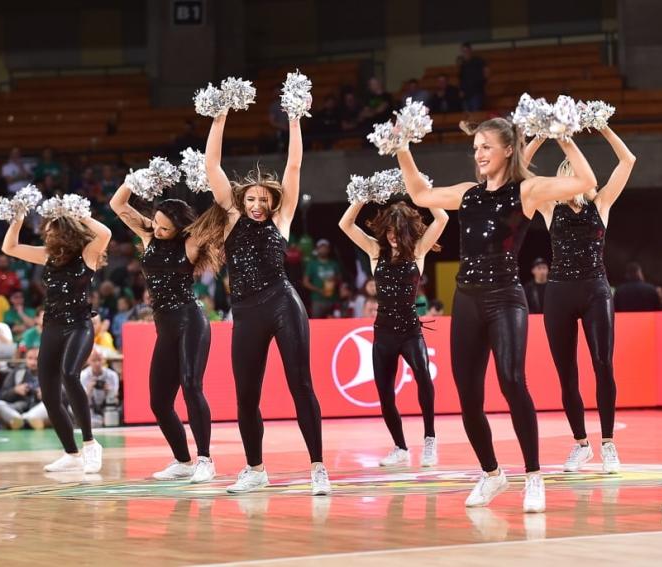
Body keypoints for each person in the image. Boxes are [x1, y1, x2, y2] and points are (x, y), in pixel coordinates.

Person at [395, 116, 597, 512]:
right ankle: (491, 474)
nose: (479, 154)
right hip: (467, 299)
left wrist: (564, 137)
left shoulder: (528, 190)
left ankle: (534, 476)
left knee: (511, 381)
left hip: (506, 297)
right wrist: (402, 148)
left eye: (486, 146)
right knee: (468, 397)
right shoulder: (468, 195)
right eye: (475, 148)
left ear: (508, 149)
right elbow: (420, 194)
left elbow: (585, 181)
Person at [188, 96, 331, 495]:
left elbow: (295, 166)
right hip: (246, 313)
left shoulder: (282, 219)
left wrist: (295, 119)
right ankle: (255, 469)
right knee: (246, 395)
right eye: (249, 199)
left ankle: (318, 467)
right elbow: (212, 166)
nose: (255, 204)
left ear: (271, 203)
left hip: (283, 304)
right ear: (240, 202)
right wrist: (220, 117)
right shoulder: (231, 219)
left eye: (261, 200)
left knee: (300, 385)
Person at [527, 126, 635, 475]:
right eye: (566, 175)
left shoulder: (601, 203)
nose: (572, 181)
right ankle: (580, 444)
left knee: (603, 364)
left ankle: (608, 443)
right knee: (566, 374)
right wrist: (541, 133)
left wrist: (602, 127)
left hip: (595, 289)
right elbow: (519, 170)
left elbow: (628, 159)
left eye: (577, 173)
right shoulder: (548, 207)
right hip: (558, 291)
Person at [111, 177, 224, 484]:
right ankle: (183, 461)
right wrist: (134, 180)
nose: (157, 230)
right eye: (156, 223)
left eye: (164, 227)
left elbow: (221, 211)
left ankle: (205, 460)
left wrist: (209, 178)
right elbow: (118, 204)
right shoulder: (148, 235)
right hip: (164, 325)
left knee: (191, 386)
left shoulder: (190, 243)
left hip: (190, 320)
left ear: (178, 227)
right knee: (159, 402)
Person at [1, 196, 110, 474]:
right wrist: (18, 215)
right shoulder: (47, 255)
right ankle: (71, 453)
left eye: (51, 229)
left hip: (80, 325)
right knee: (49, 394)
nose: (46, 233)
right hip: (52, 327)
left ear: (66, 233)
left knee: (70, 374)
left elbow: (105, 232)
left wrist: (79, 213)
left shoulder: (88, 253)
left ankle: (90, 444)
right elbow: (9, 247)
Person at [339, 200, 447, 467]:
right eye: (389, 232)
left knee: (424, 377)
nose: (393, 237)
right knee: (385, 393)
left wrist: (424, 194)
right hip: (383, 334)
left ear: (408, 231)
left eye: (398, 232)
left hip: (410, 331)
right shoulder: (375, 251)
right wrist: (360, 198)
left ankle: (430, 440)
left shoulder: (418, 251)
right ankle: (400, 447)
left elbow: (441, 217)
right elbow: (345, 224)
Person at [0, 348, 48, 430]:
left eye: (37, 359)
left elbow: (62, 397)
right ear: (25, 359)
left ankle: (23, 420)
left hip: (39, 408)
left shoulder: (51, 373)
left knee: (49, 406)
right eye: (30, 358)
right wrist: (15, 391)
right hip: (18, 408)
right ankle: (23, 420)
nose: (33, 362)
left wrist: (47, 395)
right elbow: (2, 395)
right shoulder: (17, 372)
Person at [80, 349, 120, 429]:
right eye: (94, 360)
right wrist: (88, 391)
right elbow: (80, 401)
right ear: (88, 361)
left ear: (104, 360)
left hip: (107, 409)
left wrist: (109, 392)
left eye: (99, 360)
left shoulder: (112, 375)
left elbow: (116, 400)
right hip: (89, 409)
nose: (97, 363)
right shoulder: (83, 375)